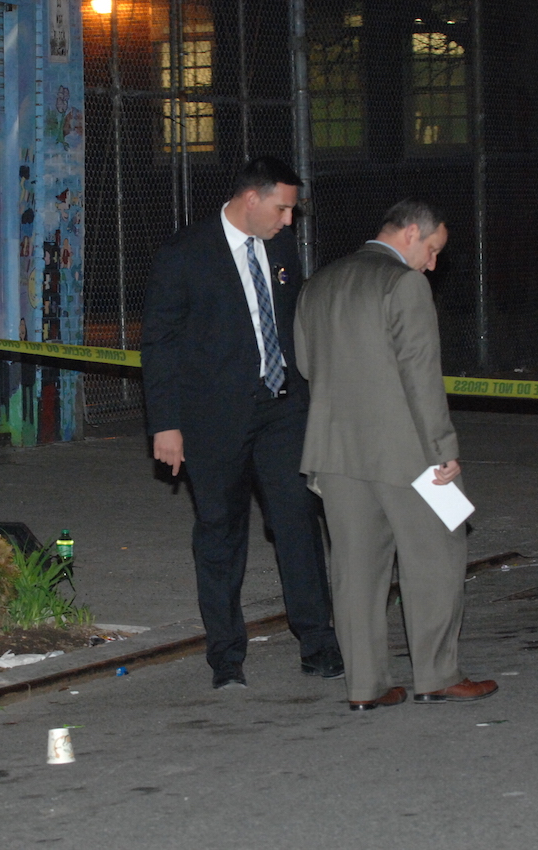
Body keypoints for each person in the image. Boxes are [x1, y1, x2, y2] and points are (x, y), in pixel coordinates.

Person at [142, 156, 342, 690]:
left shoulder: (278, 245)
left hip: (281, 407)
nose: (288, 221)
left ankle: (318, 643)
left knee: (297, 519)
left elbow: (294, 319)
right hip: (214, 418)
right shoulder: (185, 254)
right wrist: (166, 425)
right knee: (220, 531)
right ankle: (226, 656)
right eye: (282, 209)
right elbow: (158, 343)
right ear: (251, 199)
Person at [294, 199, 497, 711]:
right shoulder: (404, 284)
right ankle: (437, 674)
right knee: (438, 556)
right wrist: (443, 449)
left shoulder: (319, 283)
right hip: (407, 453)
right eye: (431, 251)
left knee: (356, 571)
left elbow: (304, 364)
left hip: (335, 451)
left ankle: (365, 687)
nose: (432, 264)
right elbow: (420, 376)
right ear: (410, 233)